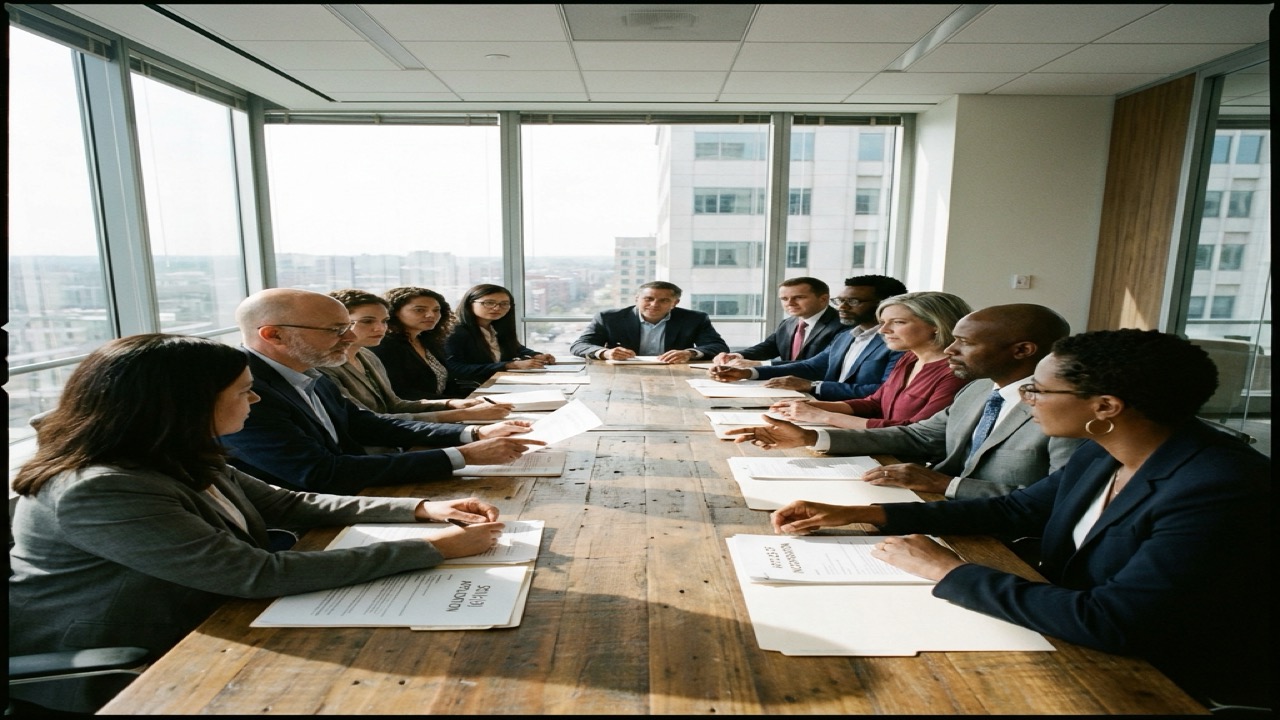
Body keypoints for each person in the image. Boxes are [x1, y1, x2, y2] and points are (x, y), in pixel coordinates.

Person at [768, 329, 1270, 710]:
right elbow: (1018, 508)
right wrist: (863, 513)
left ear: (1105, 406)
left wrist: (947, 570)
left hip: (1166, 682)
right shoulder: (1104, 448)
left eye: (1038, 391)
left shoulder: (1218, 487)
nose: (1026, 400)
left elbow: (1115, 621)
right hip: (1070, 632)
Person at [8, 334, 507, 706]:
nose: (257, 399)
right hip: (136, 656)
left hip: (216, 612)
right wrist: (434, 548)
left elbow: (289, 504)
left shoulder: (174, 449)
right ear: (185, 404)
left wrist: (420, 509)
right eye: (244, 391)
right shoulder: (101, 487)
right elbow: (252, 573)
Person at [729, 304, 1081, 500]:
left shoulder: (1068, 413)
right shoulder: (978, 389)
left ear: (1022, 350)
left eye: (966, 343)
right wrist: (812, 437)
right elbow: (918, 436)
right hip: (939, 506)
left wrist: (946, 485)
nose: (950, 350)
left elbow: (1058, 499)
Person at [220, 288, 543, 495]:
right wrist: (464, 455)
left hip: (356, 492)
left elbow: (367, 423)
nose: (350, 338)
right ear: (274, 335)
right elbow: (320, 473)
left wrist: (471, 434)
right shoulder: (243, 391)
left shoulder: (307, 371)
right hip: (310, 518)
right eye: (336, 330)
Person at [319, 289, 513, 433]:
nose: (380, 328)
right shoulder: (324, 366)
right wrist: (461, 413)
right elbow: (366, 421)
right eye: (367, 321)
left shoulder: (367, 355)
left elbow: (395, 404)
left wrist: (452, 404)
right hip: (376, 445)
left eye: (384, 321)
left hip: (401, 433)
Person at [769, 291, 972, 428]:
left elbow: (915, 431)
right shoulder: (909, 358)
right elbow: (875, 403)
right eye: (883, 322)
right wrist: (815, 406)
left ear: (936, 325)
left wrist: (824, 416)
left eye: (898, 322)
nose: (883, 330)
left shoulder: (956, 373)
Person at [709, 275, 906, 400]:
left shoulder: (900, 344)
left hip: (857, 415)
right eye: (841, 300)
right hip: (823, 408)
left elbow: (883, 391)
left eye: (853, 301)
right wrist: (747, 373)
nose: (842, 307)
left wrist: (812, 386)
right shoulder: (847, 335)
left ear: (886, 304)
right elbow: (811, 366)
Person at [570, 280, 729, 362]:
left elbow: (718, 347)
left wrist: (690, 353)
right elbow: (579, 345)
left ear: (675, 303)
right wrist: (606, 353)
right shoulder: (609, 318)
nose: (654, 305)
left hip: (675, 372)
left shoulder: (695, 319)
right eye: (648, 299)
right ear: (637, 299)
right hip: (622, 373)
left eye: (664, 300)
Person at [712, 277, 841, 367]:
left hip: (819, 390)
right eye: (784, 299)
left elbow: (821, 364)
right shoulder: (788, 323)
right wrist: (738, 355)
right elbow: (768, 348)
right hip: (786, 384)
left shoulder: (841, 326)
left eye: (798, 297)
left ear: (823, 299)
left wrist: (760, 364)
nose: (790, 303)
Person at [445, 283, 557, 386]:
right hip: (471, 389)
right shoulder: (455, 331)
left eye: (504, 304)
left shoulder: (496, 326)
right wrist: (509, 365)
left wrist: (535, 355)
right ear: (470, 304)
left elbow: (515, 347)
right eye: (489, 303)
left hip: (498, 383)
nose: (497, 308)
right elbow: (454, 369)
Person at [371, 286, 468, 400]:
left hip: (444, 403)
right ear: (393, 312)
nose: (431, 315)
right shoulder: (384, 345)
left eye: (436, 310)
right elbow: (400, 393)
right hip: (419, 408)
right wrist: (453, 402)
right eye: (419, 310)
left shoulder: (428, 340)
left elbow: (447, 383)